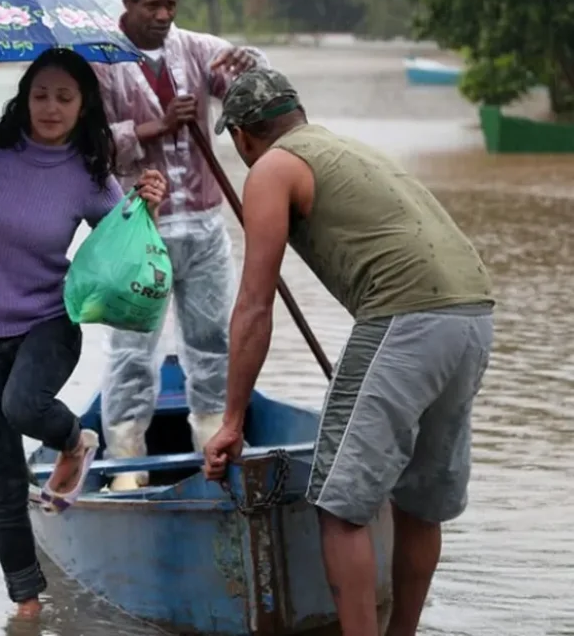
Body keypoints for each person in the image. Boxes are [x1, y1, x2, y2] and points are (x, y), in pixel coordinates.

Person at [202, 67, 495, 636]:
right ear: (298, 116)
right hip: (473, 316)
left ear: (241, 137)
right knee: (419, 504)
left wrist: (232, 420)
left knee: (340, 504)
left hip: (405, 317)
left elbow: (254, 306)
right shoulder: (346, 150)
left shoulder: (272, 167)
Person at [0, 48, 167, 619]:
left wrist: (147, 210)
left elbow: (124, 255)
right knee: (0, 476)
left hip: (49, 324)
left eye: (65, 97)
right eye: (41, 94)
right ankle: (27, 606)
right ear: (25, 96)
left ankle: (74, 440)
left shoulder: (89, 172)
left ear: (83, 103)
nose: (50, 107)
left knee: (22, 406)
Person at [91, 0, 270, 491]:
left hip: (205, 225)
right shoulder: (99, 61)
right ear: (127, 3)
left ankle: (213, 447)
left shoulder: (192, 47)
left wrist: (249, 67)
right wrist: (157, 125)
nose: (164, 15)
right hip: (139, 228)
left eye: (171, 4)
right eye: (152, 5)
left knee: (213, 339)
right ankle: (127, 464)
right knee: (132, 348)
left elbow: (253, 80)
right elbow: (92, 146)